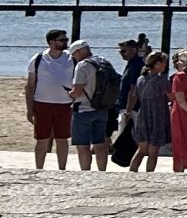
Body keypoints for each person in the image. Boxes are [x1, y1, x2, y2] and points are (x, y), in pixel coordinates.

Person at [23, 27, 75, 170]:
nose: (65, 42)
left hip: (65, 105)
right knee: (41, 139)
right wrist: (29, 108)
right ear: (51, 42)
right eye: (62, 40)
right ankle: (39, 168)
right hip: (42, 104)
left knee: (62, 139)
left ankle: (62, 169)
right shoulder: (38, 59)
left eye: (66, 39)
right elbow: (30, 85)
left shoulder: (71, 58)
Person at [70, 41, 120, 172]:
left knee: (83, 145)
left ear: (79, 51)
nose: (74, 58)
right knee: (100, 143)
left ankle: (85, 171)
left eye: (74, 55)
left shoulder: (82, 65)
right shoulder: (103, 61)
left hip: (83, 109)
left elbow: (77, 91)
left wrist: (69, 94)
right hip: (102, 108)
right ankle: (102, 170)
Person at [125, 51, 171, 173]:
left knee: (141, 149)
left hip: (143, 114)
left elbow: (135, 95)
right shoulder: (161, 81)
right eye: (163, 62)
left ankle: (132, 171)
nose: (165, 65)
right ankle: (149, 174)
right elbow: (171, 97)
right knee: (153, 151)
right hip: (158, 115)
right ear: (156, 64)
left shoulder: (141, 79)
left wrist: (128, 111)